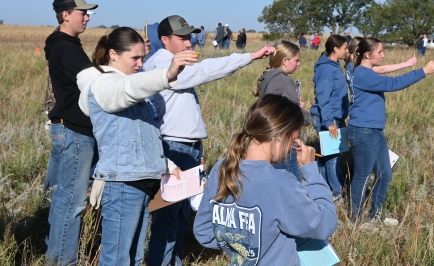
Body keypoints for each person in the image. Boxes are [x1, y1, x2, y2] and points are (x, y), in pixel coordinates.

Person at [143, 15, 276, 266]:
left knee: (179, 217)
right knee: (169, 218)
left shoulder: (168, 62)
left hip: (186, 148)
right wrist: (249, 56)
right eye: (181, 38)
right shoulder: (163, 65)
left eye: (189, 36)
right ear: (164, 40)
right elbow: (206, 70)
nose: (188, 42)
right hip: (175, 147)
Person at [76, 26, 197, 265]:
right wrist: (168, 73)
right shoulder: (104, 86)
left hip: (142, 182)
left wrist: (169, 165)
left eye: (142, 57)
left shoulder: (133, 88)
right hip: (122, 184)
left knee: (134, 256)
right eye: (134, 57)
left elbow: (147, 136)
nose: (140, 64)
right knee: (117, 258)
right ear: (113, 54)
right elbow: (126, 90)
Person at [194, 94, 337, 265]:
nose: (291, 149)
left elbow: (203, 230)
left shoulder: (221, 168)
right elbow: (325, 223)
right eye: (293, 141)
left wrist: (240, 247)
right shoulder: (281, 183)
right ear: (279, 136)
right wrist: (311, 171)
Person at [345, 37, 434, 225]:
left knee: (385, 173)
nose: (383, 55)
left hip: (374, 131)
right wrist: (423, 71)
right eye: (380, 52)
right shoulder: (363, 74)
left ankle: (375, 215)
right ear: (367, 55)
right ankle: (357, 220)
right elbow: (392, 84)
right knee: (362, 177)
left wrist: (409, 65)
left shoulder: (364, 71)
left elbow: (385, 74)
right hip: (364, 131)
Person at [43, 1, 98, 264]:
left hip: (66, 129)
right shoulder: (66, 48)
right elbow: (96, 85)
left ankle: (54, 255)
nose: (87, 17)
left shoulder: (64, 45)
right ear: (66, 15)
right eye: (82, 13)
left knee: (61, 197)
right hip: (75, 132)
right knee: (72, 202)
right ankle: (64, 261)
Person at [254, 40, 311, 182]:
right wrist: (302, 112)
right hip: (286, 143)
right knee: (291, 186)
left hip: (274, 141)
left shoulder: (270, 78)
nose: (299, 64)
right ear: (285, 61)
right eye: (296, 60)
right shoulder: (283, 82)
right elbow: (296, 116)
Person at [310, 35, 349, 201]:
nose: (347, 51)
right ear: (335, 48)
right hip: (327, 119)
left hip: (334, 118)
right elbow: (323, 98)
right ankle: (337, 193)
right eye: (345, 48)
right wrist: (329, 122)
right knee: (333, 159)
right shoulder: (326, 70)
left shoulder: (334, 65)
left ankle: (326, 189)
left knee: (328, 157)